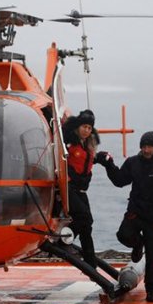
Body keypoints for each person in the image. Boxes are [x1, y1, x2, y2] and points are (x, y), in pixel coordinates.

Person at [95, 131, 153, 302]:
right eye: (143, 146)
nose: (146, 150)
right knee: (123, 235)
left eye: (149, 147)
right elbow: (119, 180)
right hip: (136, 212)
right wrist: (108, 165)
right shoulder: (133, 162)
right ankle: (138, 245)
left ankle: (152, 290)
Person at [62, 109, 101, 268]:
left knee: (87, 225)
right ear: (78, 127)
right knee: (85, 217)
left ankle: (90, 261)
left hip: (81, 189)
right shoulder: (70, 143)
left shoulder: (89, 146)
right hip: (69, 187)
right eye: (84, 126)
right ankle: (63, 240)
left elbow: (88, 162)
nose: (86, 130)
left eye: (89, 128)